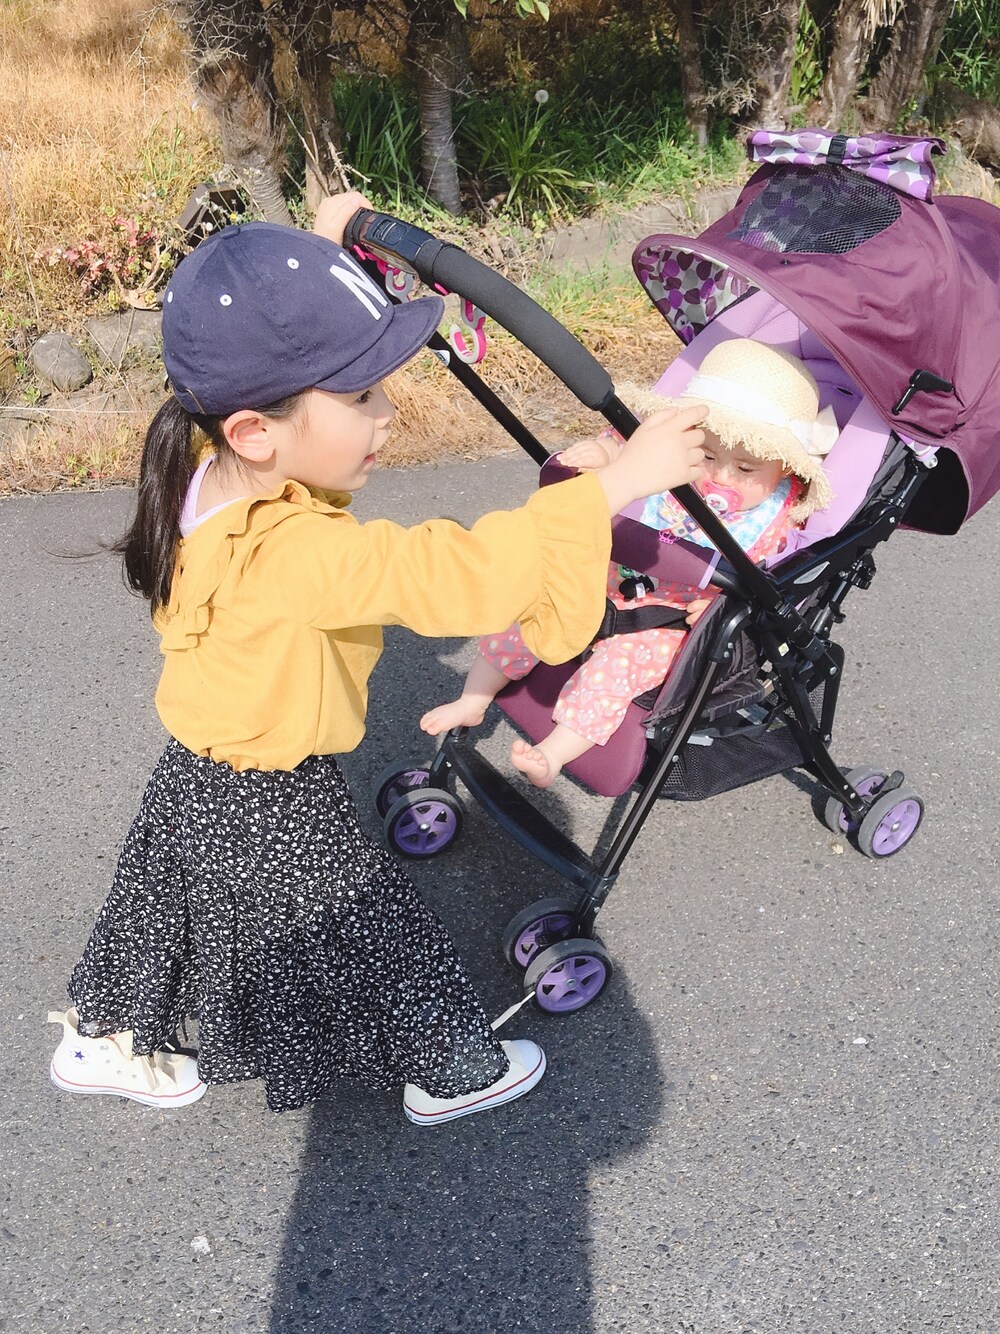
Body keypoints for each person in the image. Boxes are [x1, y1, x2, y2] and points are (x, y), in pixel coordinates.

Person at [47, 193, 708, 1123]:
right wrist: (616, 485)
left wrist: (325, 257)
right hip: (269, 786)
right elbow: (445, 572)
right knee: (369, 924)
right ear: (257, 431)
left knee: (161, 891)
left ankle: (103, 1035)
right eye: (360, 397)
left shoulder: (209, 461)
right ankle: (453, 1070)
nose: (388, 414)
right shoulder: (296, 553)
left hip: (201, 753)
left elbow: (273, 366)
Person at [421, 338, 837, 790]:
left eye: (746, 469)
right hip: (603, 578)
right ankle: (473, 698)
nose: (721, 477)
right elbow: (623, 451)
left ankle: (553, 754)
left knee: (614, 670)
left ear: (784, 472)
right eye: (708, 456)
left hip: (667, 620)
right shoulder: (673, 463)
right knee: (526, 610)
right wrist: (601, 457)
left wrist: (720, 606)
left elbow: (771, 578)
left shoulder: (773, 519)